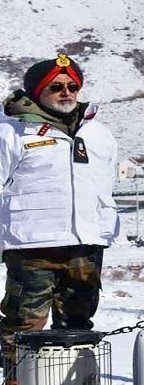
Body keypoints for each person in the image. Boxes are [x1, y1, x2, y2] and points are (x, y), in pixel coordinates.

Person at [0, 53, 119, 376]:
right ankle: (17, 381)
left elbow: (106, 184)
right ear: (37, 92)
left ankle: (76, 381)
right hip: (32, 246)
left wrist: (104, 231)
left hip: (85, 245)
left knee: (78, 326)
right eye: (56, 87)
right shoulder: (11, 131)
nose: (66, 93)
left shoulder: (98, 134)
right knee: (23, 328)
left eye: (72, 86)